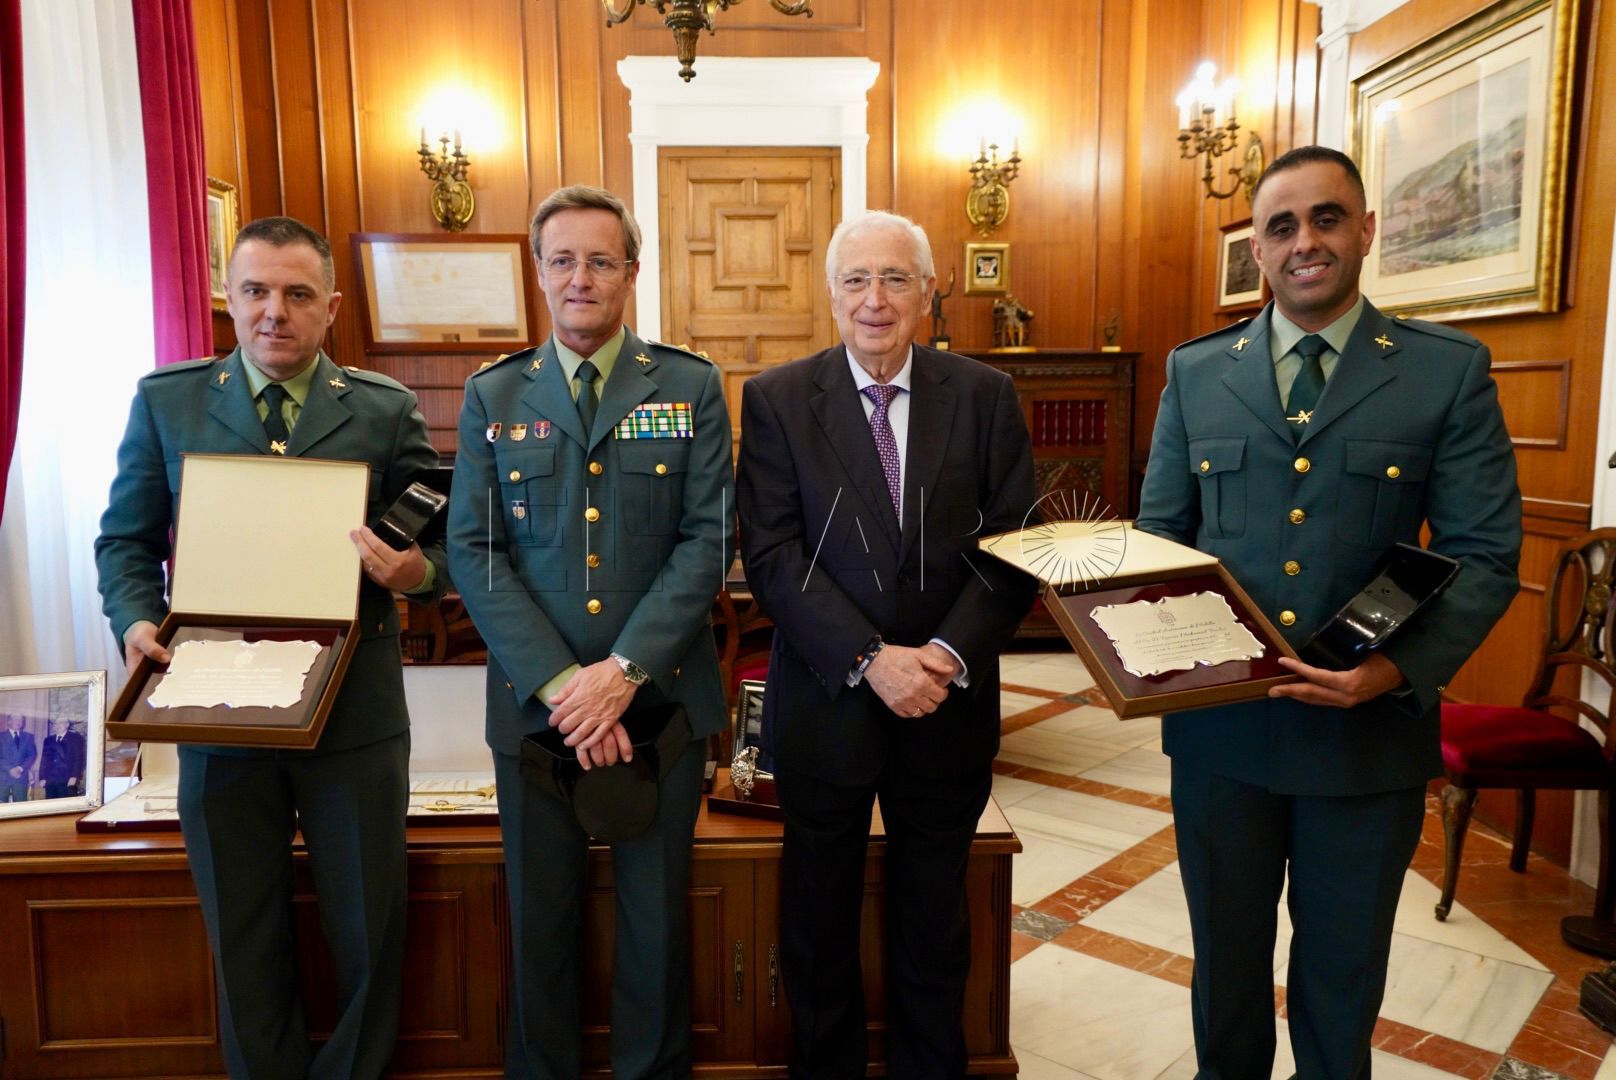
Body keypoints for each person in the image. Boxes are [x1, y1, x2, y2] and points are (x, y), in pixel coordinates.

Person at [1134, 145, 1521, 1077]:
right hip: (1223, 733)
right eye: (1282, 226)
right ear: (1258, 252)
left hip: (1369, 737)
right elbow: (1160, 540)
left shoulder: (1444, 372)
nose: (1305, 241)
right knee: (1225, 967)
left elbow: (1484, 552)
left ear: (1366, 232)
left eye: (1327, 219)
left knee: (1343, 970)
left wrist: (1388, 671)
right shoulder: (1196, 372)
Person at [95, 215, 447, 1079]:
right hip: (218, 710)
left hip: (352, 716)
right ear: (229, 298)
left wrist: (411, 577)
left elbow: (441, 548)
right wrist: (137, 621)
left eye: (296, 295)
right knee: (243, 929)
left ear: (330, 307)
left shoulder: (384, 408)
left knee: (369, 929)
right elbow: (125, 542)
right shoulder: (167, 400)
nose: (273, 313)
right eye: (255, 291)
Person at [736, 210, 1038, 1078]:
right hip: (830, 700)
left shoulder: (983, 396)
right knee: (819, 916)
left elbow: (1015, 543)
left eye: (896, 279)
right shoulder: (780, 399)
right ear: (830, 293)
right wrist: (872, 661)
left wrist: (942, 657)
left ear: (929, 293)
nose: (876, 300)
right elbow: (774, 554)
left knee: (933, 916)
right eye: (858, 280)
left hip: (948, 699)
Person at [447, 184, 733, 1079]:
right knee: (540, 925)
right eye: (562, 260)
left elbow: (707, 540)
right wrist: (565, 685)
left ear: (632, 274)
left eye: (601, 260)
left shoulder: (688, 385)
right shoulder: (494, 394)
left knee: (657, 927)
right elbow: (473, 547)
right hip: (538, 718)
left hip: (662, 708)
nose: (582, 278)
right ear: (538, 273)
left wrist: (622, 674)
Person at [38, 717, 85, 798]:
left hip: (67, 778)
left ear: (67, 725)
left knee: (66, 805)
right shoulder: (48, 740)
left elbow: (79, 759)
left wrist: (74, 776)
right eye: (56, 724)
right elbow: (44, 759)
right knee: (51, 805)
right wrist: (42, 777)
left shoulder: (75, 738)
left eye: (61, 723)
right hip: (51, 779)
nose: (58, 725)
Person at [0, 714, 36, 801]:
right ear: (9, 721)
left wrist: (20, 768)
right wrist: (10, 769)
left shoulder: (28, 736)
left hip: (20, 776)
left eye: (21, 720)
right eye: (16, 719)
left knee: (20, 806)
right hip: (3, 776)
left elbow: (32, 755)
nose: (19, 722)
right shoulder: (1, 736)